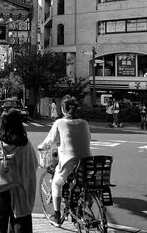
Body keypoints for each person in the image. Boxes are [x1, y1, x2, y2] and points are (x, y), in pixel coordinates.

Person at [38, 95, 91, 227]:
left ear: (63, 109)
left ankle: (57, 217)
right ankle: (79, 208)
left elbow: (49, 140)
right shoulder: (84, 123)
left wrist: (41, 147)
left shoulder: (60, 123)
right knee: (81, 183)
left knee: (56, 183)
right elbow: (88, 138)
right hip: (86, 160)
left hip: (68, 161)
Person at [0, 108, 38, 233]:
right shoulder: (26, 144)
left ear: (2, 123)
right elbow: (34, 165)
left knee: (0, 227)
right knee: (21, 224)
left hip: (1, 191)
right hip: (22, 192)